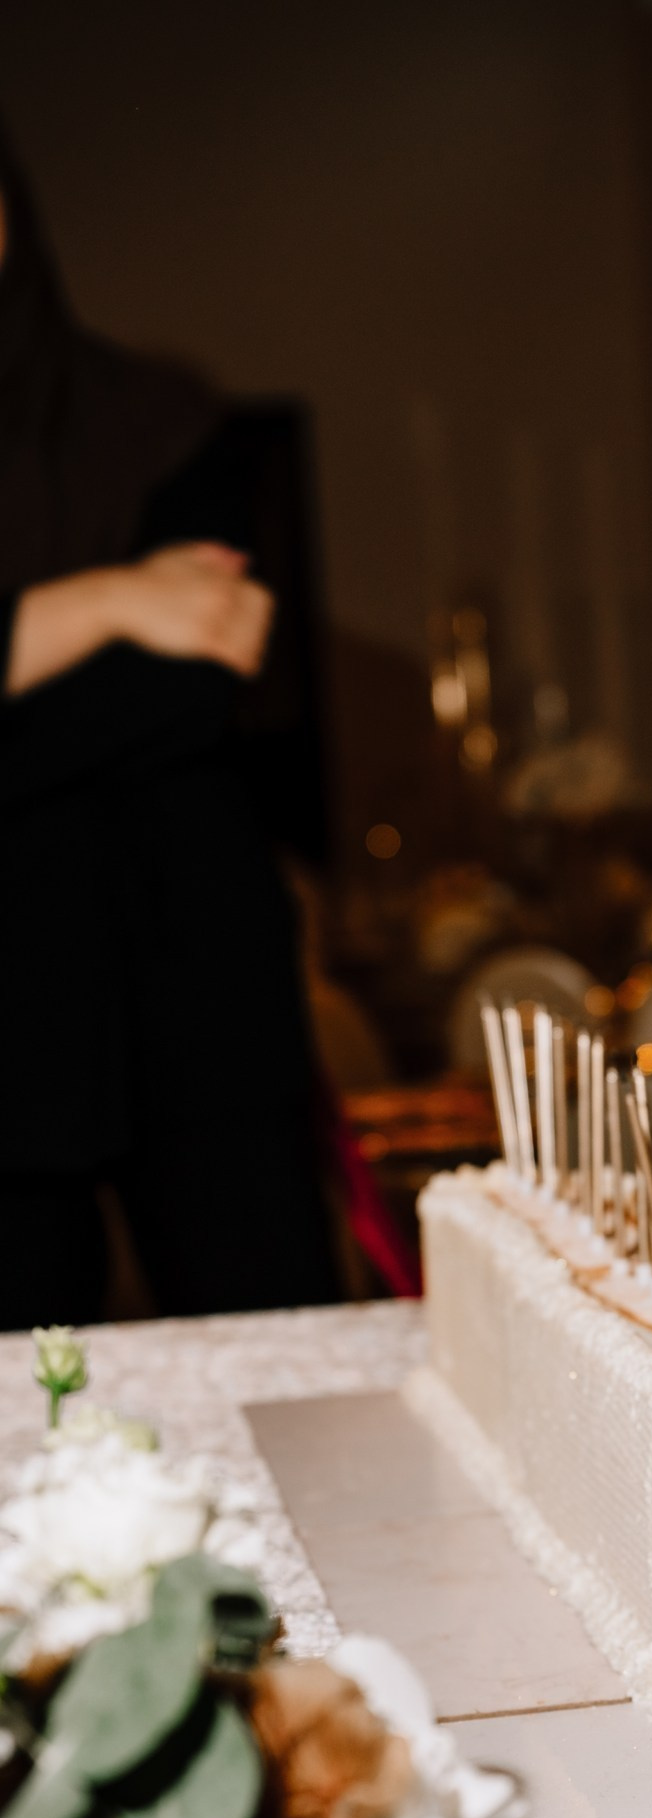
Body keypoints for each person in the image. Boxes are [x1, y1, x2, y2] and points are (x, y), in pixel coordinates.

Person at [0, 122, 339, 1330]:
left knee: (276, 1343)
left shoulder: (160, 422)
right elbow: (141, 693)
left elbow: (202, 684)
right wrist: (103, 602)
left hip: (188, 956)